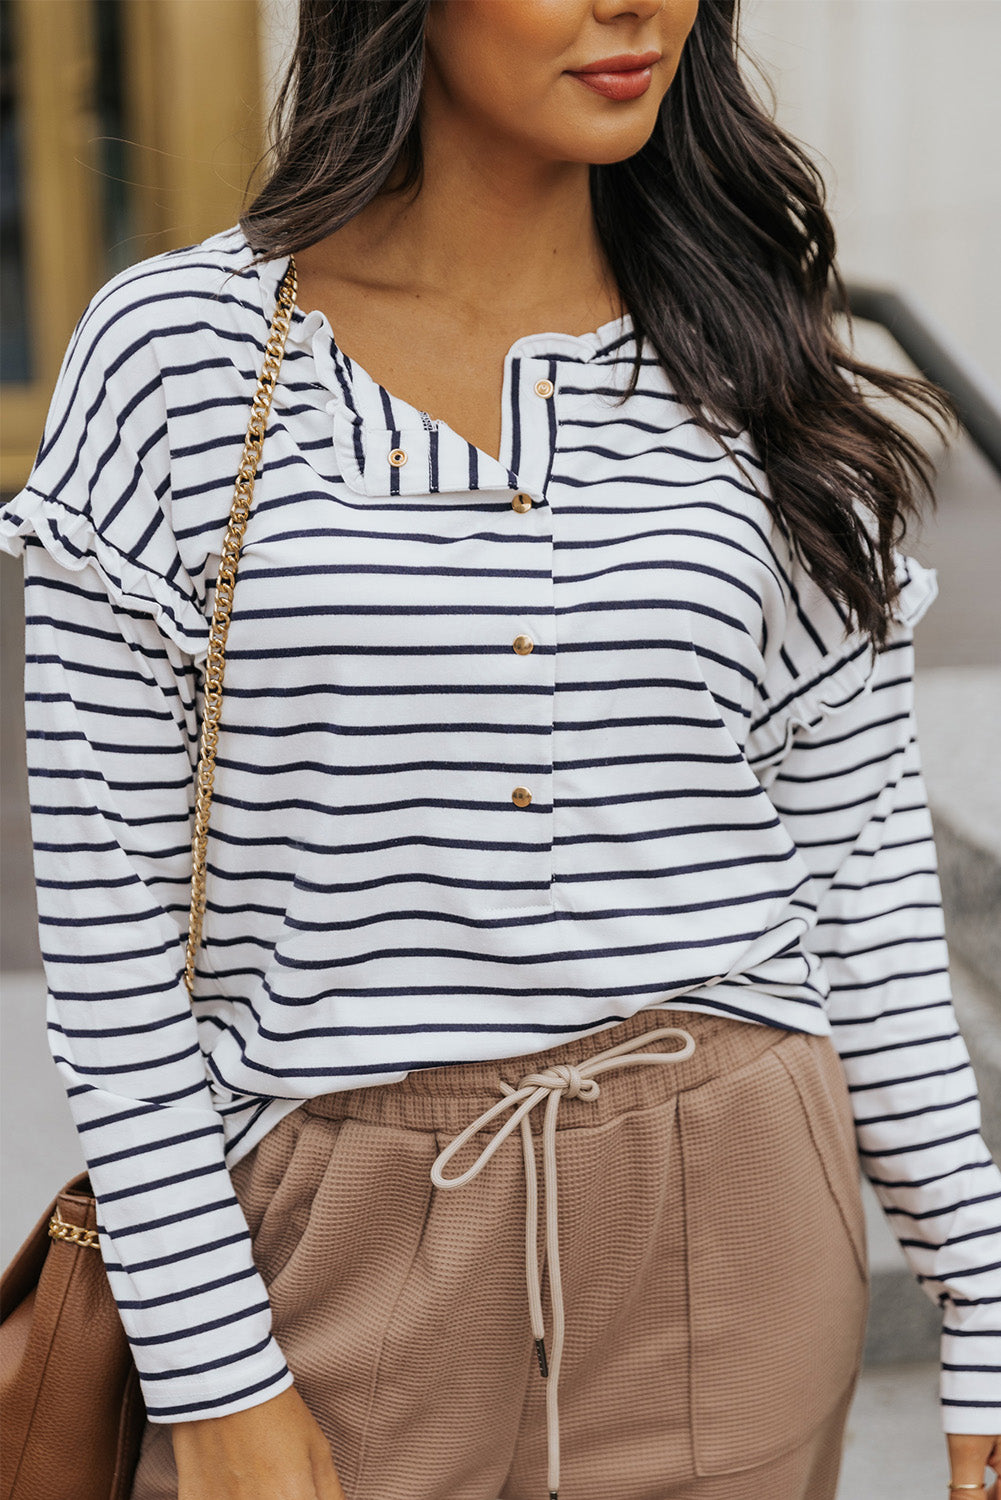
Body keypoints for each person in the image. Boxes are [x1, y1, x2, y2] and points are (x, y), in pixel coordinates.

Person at [3, 1, 1000, 1496]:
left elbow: (860, 889)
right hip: (331, 1240)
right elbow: (107, 931)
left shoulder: (748, 358)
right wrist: (213, 1375)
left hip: (730, 1210)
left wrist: (983, 1307)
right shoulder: (179, 357)